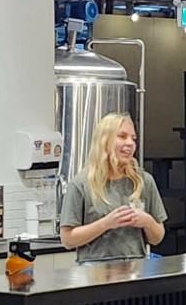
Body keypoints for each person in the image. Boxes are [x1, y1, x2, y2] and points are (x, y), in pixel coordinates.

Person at [59, 113, 166, 264]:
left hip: (136, 271)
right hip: (95, 274)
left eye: (133, 138)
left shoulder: (144, 181)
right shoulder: (80, 184)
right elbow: (68, 239)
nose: (130, 143)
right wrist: (106, 223)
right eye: (122, 136)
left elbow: (157, 238)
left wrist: (147, 222)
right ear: (104, 141)